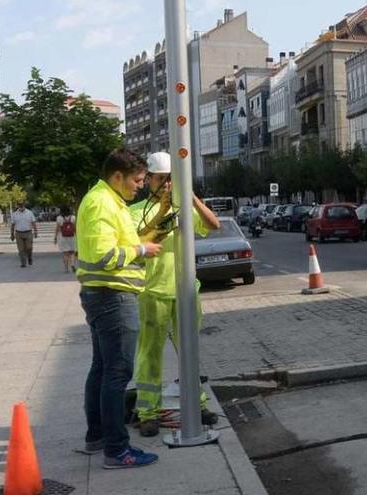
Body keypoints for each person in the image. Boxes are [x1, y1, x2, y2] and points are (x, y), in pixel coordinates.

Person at [76, 149, 162, 469]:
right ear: (117, 177)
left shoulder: (107, 200)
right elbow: (103, 256)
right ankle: (117, 449)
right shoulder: (102, 202)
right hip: (113, 297)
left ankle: (98, 437)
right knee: (117, 372)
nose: (139, 186)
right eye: (137, 180)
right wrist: (141, 249)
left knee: (101, 368)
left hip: (103, 295)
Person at [129, 152, 221, 437]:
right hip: (153, 292)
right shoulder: (137, 211)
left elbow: (213, 224)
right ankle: (148, 412)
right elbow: (137, 241)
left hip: (185, 292)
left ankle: (197, 403)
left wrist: (190, 196)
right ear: (150, 181)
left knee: (189, 353)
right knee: (150, 355)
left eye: (172, 179)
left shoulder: (184, 207)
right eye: (161, 179)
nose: (167, 184)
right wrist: (161, 212)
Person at [10, 203, 37, 268]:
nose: (21, 207)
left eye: (22, 206)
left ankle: (29, 257)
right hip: (19, 233)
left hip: (28, 233)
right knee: (21, 249)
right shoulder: (15, 214)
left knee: (29, 247)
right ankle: (23, 263)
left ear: (24, 206)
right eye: (20, 206)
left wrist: (36, 231)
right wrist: (12, 234)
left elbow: (33, 222)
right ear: (18, 206)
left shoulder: (29, 213)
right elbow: (12, 225)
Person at [54, 205, 77, 273]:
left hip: (62, 237)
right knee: (72, 252)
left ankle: (66, 269)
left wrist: (55, 237)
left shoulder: (59, 218)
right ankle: (72, 264)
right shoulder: (73, 217)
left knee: (65, 253)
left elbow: (57, 228)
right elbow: (75, 228)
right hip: (72, 236)